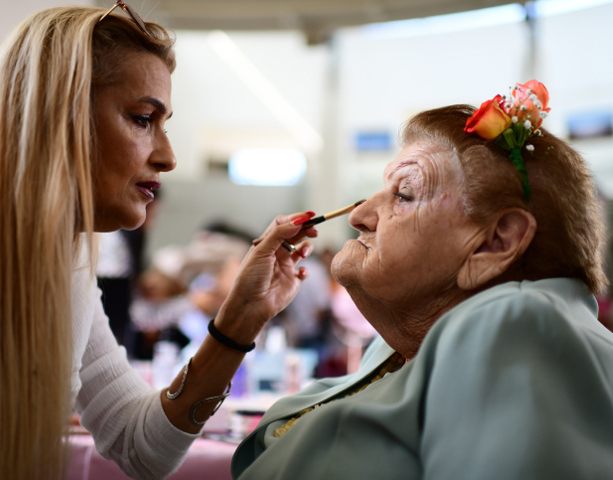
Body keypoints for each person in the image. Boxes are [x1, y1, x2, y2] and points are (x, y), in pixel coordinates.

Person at [0, 4, 317, 479]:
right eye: (141, 119)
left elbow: (140, 446)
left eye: (165, 124)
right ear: (59, 116)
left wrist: (239, 319)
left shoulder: (68, 263)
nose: (169, 156)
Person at [231, 82, 613, 479]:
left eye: (405, 194)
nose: (358, 217)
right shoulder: (400, 346)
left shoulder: (516, 326)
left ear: (497, 242)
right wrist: (238, 321)